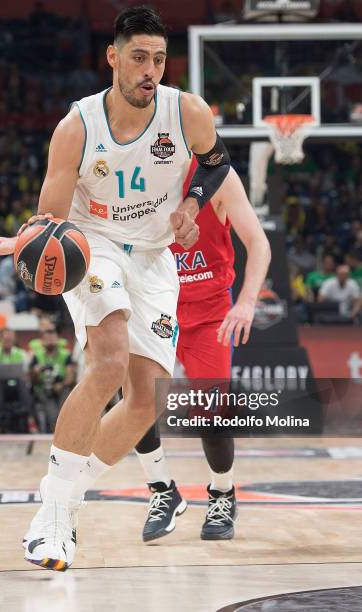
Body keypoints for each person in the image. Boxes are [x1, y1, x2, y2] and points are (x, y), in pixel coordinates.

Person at [0, 6, 232, 571]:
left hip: (157, 258)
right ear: (112, 57)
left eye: (158, 59)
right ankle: (55, 521)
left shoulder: (186, 112)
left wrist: (191, 202)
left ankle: (62, 496)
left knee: (144, 402)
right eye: (138, 58)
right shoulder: (77, 127)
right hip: (95, 247)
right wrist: (21, 244)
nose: (149, 70)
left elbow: (216, 161)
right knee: (108, 362)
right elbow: (52, 221)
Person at [134, 155, 270, 542]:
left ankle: (223, 492)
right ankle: (162, 490)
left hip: (210, 311)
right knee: (135, 401)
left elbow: (258, 244)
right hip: (157, 304)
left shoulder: (219, 178)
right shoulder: (140, 171)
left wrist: (246, 302)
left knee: (210, 411)